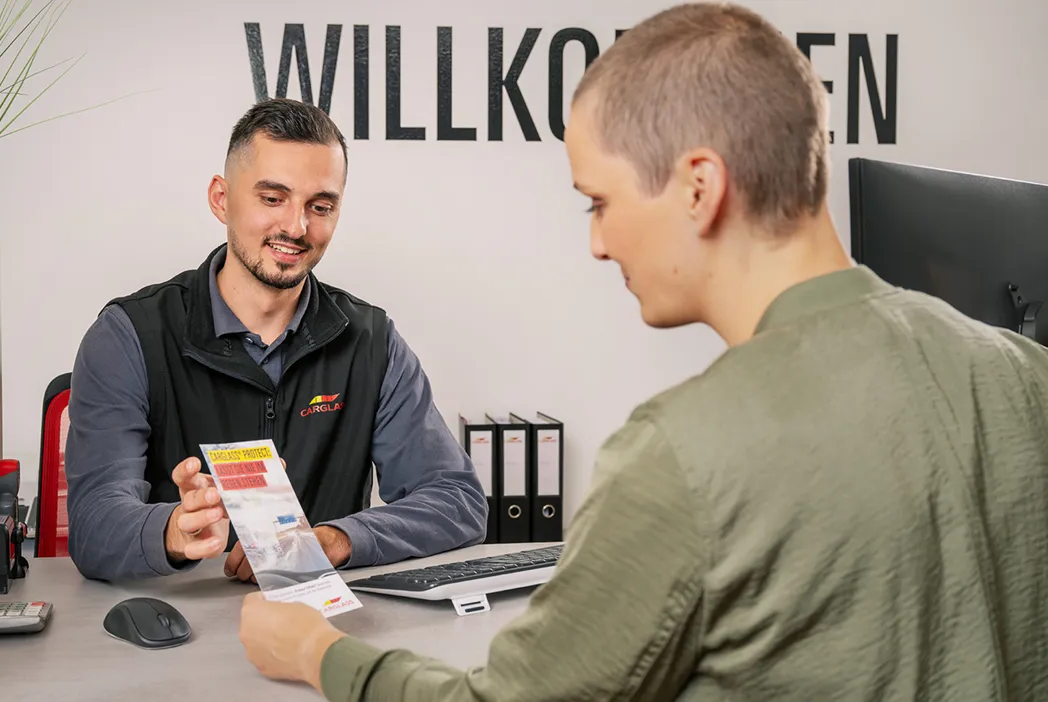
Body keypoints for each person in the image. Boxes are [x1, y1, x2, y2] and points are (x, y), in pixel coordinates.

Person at [235, 3, 1048, 700]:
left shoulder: (685, 452)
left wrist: (318, 653)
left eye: (600, 201)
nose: (596, 242)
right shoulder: (1027, 379)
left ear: (698, 186)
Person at [64, 97, 488, 582]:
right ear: (221, 199)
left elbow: (458, 501)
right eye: (272, 199)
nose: (296, 226)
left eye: (320, 206)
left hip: (325, 634)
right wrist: (173, 531)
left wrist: (335, 541)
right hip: (176, 631)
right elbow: (94, 525)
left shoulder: (372, 341)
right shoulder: (128, 335)